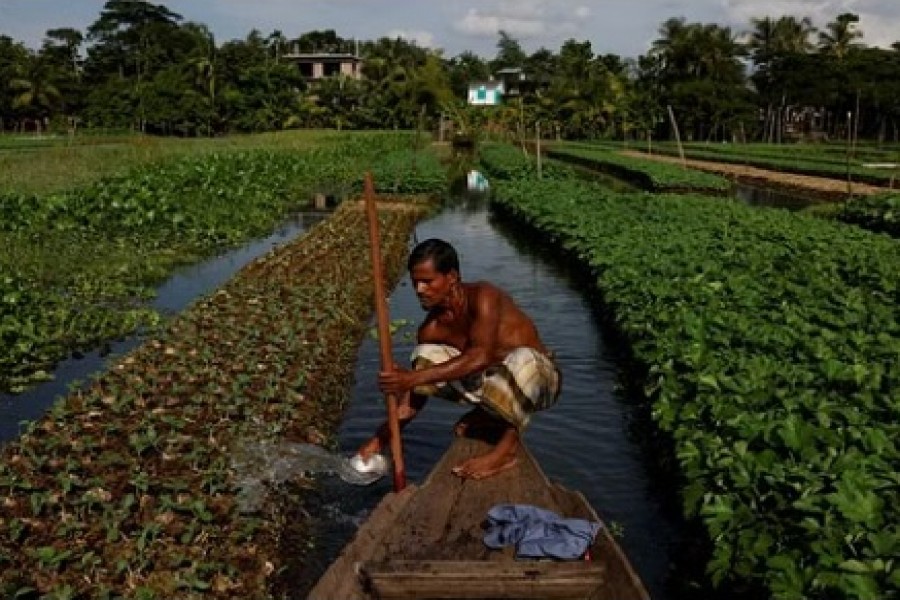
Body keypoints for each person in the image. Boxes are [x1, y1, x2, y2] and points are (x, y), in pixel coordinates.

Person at [357, 238, 561, 480]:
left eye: (427, 281)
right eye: (415, 283)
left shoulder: (485, 297)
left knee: (523, 357)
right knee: (425, 354)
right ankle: (489, 414)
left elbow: (481, 355)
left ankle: (507, 450)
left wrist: (411, 378)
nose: (419, 290)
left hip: (540, 380)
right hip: (491, 384)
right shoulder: (430, 329)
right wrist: (379, 439)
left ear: (452, 277)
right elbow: (415, 396)